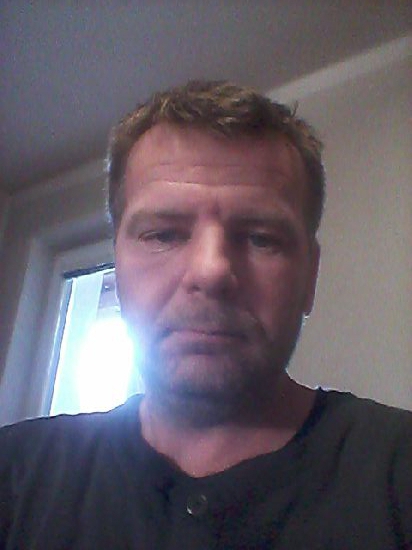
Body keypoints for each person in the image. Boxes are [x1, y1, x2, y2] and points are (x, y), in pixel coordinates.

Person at [0, 80, 411, 549]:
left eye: (261, 238)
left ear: (310, 276)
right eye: (163, 235)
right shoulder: (14, 475)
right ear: (118, 265)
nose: (211, 271)